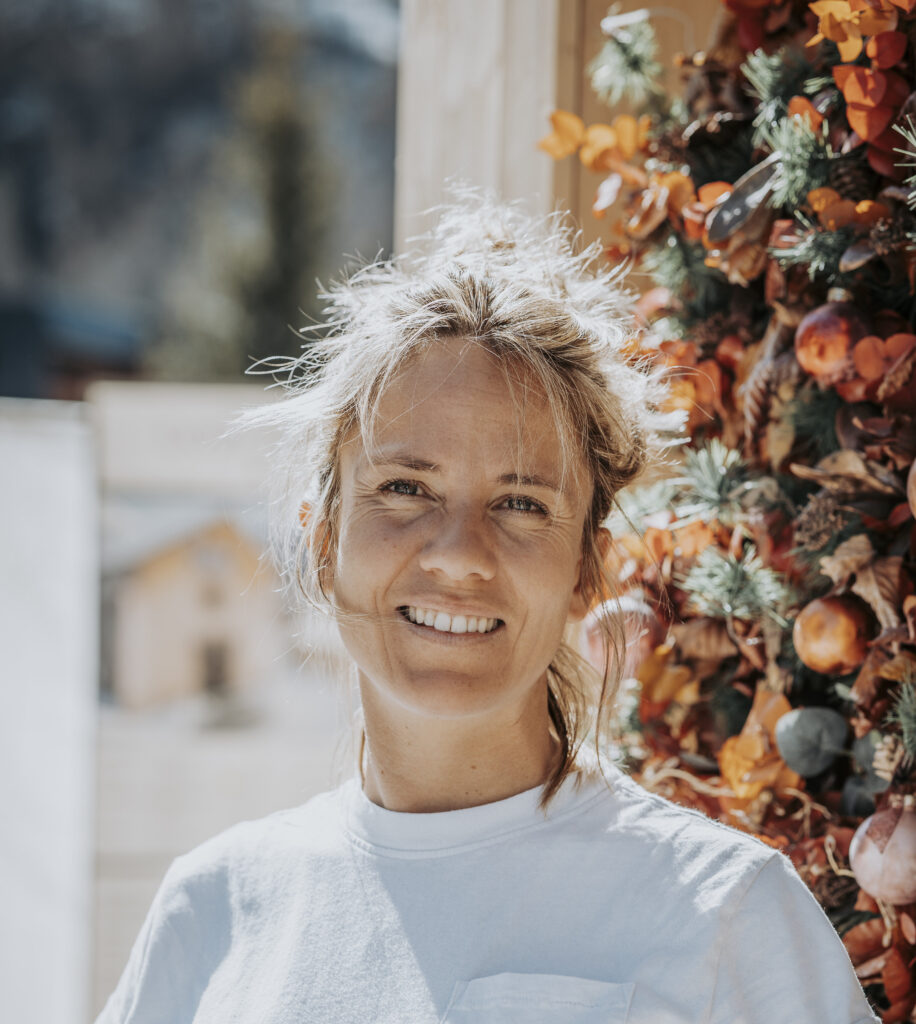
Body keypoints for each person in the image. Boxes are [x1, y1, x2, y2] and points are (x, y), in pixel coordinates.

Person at [96, 194, 879, 1024]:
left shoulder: (728, 919)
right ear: (323, 542)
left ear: (586, 571)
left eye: (521, 503)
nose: (459, 553)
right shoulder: (213, 917)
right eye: (406, 488)